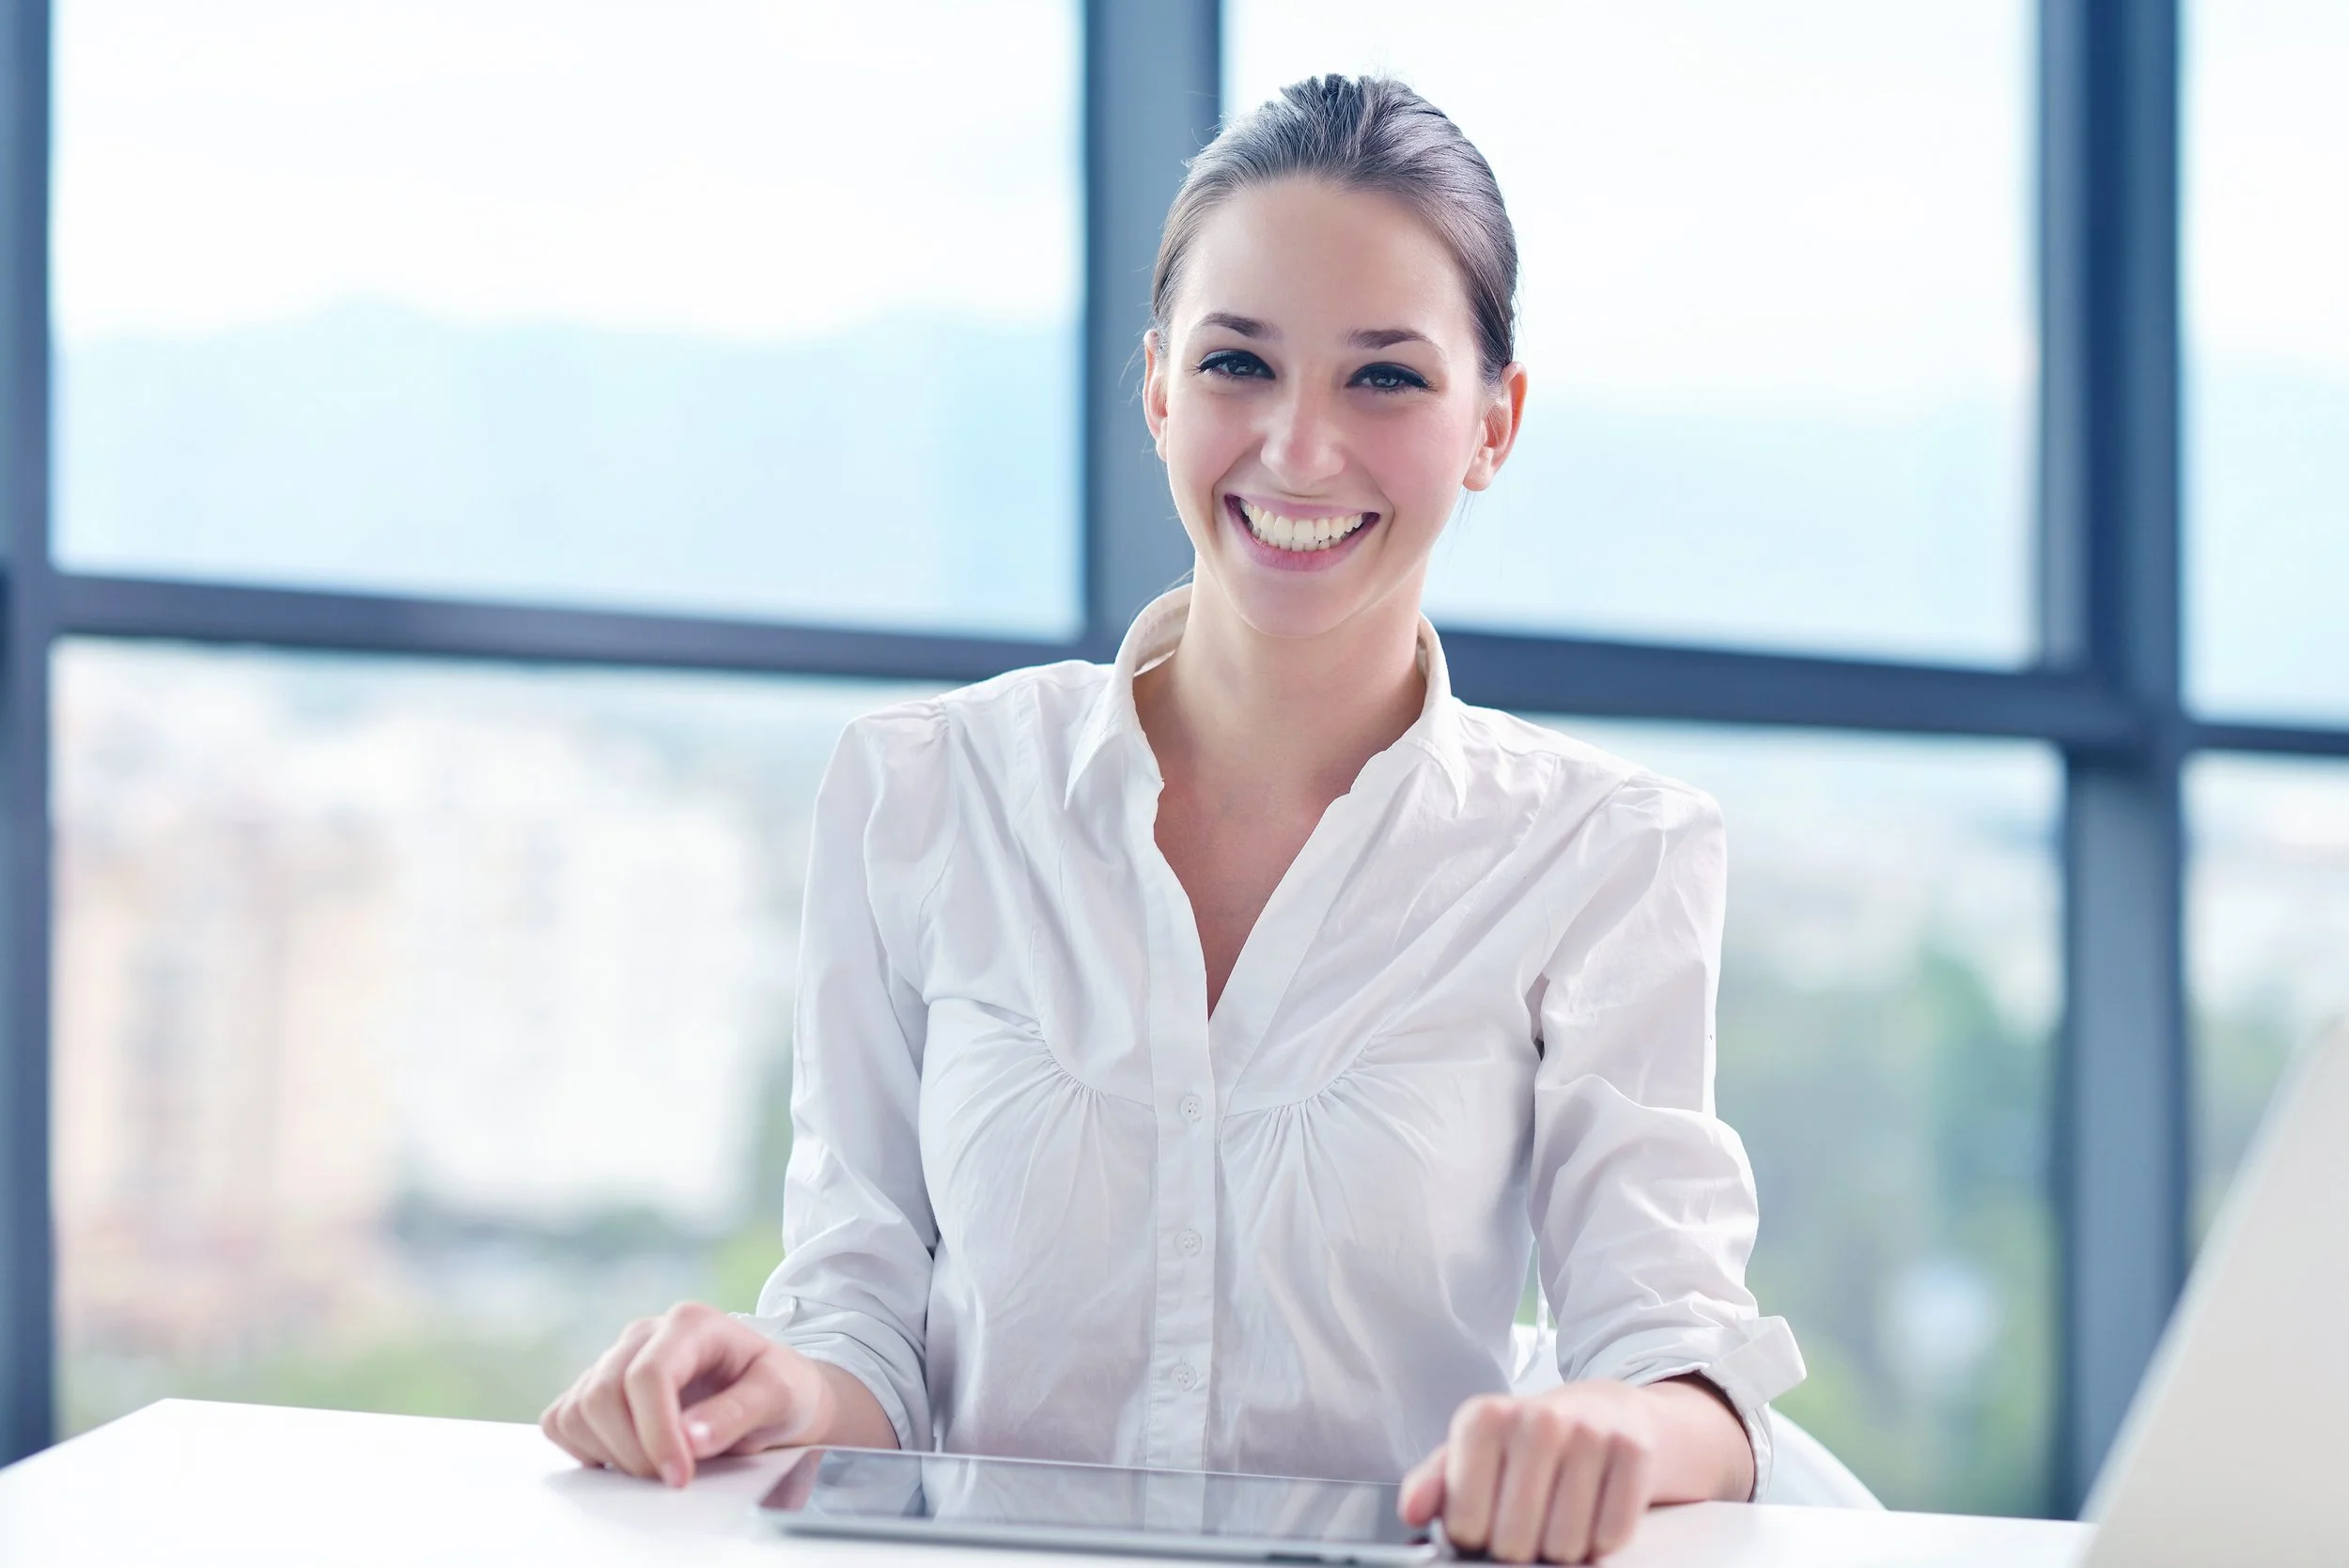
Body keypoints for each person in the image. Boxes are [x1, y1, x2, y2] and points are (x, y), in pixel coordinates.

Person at [541, 75, 1803, 1565]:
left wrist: (1611, 1427)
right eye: (1236, 365)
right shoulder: (923, 793)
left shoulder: (1606, 856)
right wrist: (765, 1389)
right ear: (1157, 390)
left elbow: (1684, 1362)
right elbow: (863, 1333)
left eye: (1385, 379)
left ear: (1494, 424)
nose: (1297, 449)